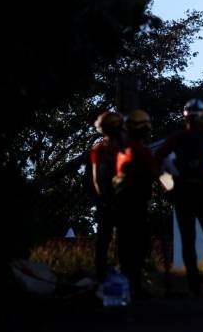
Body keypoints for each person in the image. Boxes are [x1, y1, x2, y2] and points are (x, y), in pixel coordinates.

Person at [155, 98, 203, 295]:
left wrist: (169, 187)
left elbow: (157, 163)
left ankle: (195, 283)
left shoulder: (179, 139)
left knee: (189, 240)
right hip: (201, 194)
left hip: (185, 195)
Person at [113, 109, 159, 300]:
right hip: (136, 206)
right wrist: (174, 188)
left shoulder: (122, 152)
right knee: (138, 245)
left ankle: (128, 284)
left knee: (125, 246)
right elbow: (158, 173)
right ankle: (134, 286)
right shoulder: (141, 151)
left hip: (122, 206)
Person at [88, 111, 124, 284]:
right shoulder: (99, 151)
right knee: (106, 240)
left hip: (115, 203)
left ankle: (118, 278)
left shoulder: (101, 150)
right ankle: (104, 278)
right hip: (109, 203)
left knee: (111, 240)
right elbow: (93, 180)